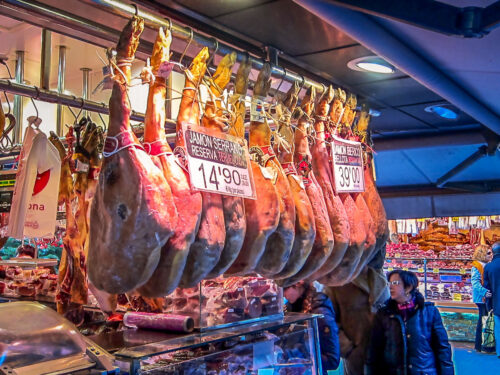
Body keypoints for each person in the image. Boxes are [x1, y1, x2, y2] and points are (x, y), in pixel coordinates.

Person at [365, 270, 454, 375]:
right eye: (389, 283)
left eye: (395, 283)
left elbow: (442, 348)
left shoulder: (430, 312)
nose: (390, 286)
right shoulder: (383, 314)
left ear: (409, 287)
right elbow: (374, 349)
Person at [284, 280, 340, 374]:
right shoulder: (290, 307)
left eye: (284, 288)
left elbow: (332, 360)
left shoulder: (319, 310)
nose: (282, 294)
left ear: (297, 284)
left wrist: (300, 355)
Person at [471, 244, 494, 352]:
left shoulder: (486, 265)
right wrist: (484, 292)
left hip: (483, 297)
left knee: (484, 319)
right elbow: (475, 283)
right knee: (483, 319)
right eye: (488, 253)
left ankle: (482, 344)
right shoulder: (476, 266)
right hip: (481, 298)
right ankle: (481, 344)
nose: (491, 255)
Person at [483, 241, 500, 358]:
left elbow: (487, 288)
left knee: (498, 328)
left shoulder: (489, 266)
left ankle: (499, 351)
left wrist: (489, 305)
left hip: (497, 302)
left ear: (493, 253)